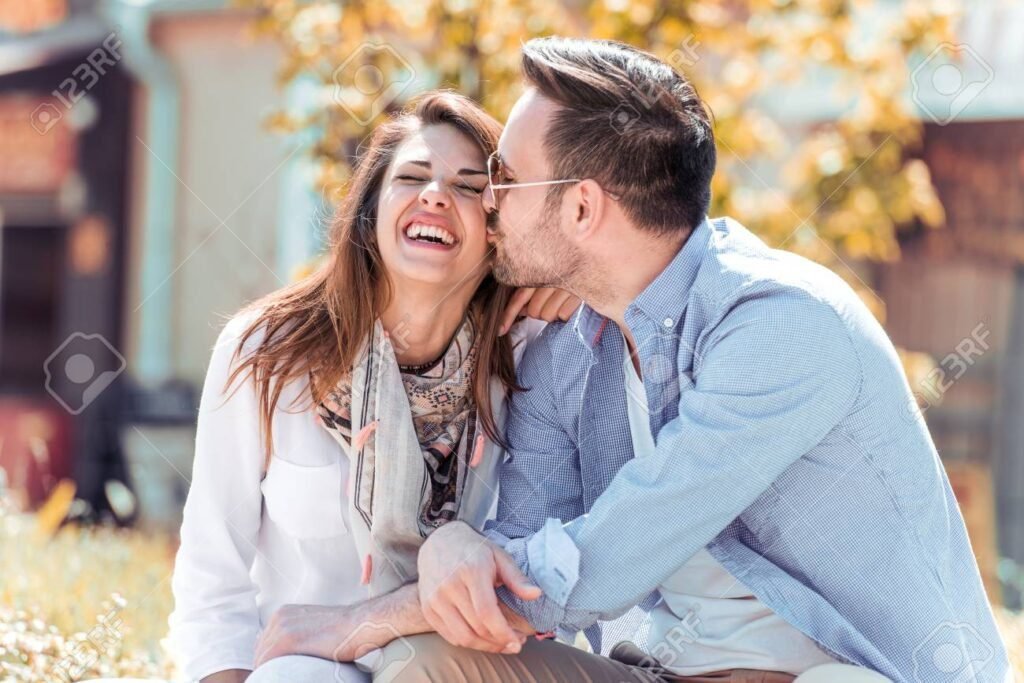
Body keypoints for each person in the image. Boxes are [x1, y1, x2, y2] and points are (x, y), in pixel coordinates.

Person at [412, 37, 1011, 683]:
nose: (488, 199)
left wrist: (371, 614)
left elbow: (597, 565)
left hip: (857, 674)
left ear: (582, 207)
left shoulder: (784, 325)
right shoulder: (564, 348)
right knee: (423, 662)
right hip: (664, 672)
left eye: (505, 174)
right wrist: (453, 547)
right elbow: (517, 568)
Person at [166, 90, 578, 683]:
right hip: (305, 664)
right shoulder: (264, 353)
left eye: (467, 187)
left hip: (456, 663)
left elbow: (550, 565)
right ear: (371, 212)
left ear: (498, 231)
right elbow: (212, 573)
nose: (436, 194)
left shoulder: (531, 356)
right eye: (413, 177)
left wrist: (575, 287)